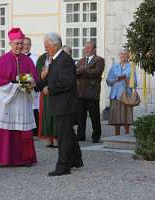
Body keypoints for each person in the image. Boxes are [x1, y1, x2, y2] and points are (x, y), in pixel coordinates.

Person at [0, 27, 38, 167]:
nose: (19, 46)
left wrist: (29, 84)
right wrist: (15, 86)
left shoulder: (28, 61)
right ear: (10, 43)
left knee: (21, 129)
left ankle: (23, 158)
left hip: (21, 100)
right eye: (16, 43)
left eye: (21, 43)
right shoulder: (3, 60)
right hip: (7, 101)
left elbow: (34, 79)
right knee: (3, 129)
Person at [36, 32, 83, 176]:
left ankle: (63, 167)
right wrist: (36, 85)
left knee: (63, 136)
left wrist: (50, 89)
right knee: (68, 133)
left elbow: (67, 82)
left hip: (65, 104)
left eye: (47, 46)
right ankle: (76, 160)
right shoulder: (55, 59)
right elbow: (51, 78)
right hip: (60, 104)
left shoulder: (65, 59)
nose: (46, 49)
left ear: (55, 45)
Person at [76, 41, 105, 143]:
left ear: (94, 49)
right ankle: (80, 135)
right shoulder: (81, 60)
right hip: (80, 92)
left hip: (92, 92)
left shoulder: (99, 60)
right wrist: (85, 70)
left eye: (89, 48)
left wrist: (83, 70)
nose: (87, 50)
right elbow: (75, 72)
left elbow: (97, 72)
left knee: (94, 116)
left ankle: (96, 136)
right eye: (86, 48)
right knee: (80, 116)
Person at [106, 50, 137, 135]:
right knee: (116, 117)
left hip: (126, 94)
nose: (123, 56)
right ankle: (116, 135)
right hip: (115, 94)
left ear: (128, 56)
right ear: (119, 55)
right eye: (121, 54)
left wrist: (126, 79)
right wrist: (116, 79)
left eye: (125, 54)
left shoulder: (131, 67)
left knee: (126, 116)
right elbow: (108, 81)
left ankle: (127, 134)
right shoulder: (114, 66)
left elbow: (135, 83)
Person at [36, 45, 57, 148]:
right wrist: (47, 71)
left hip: (57, 89)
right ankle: (49, 138)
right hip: (45, 90)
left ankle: (56, 138)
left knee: (56, 114)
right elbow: (39, 75)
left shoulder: (59, 57)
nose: (48, 50)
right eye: (47, 47)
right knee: (46, 114)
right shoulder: (42, 58)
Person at [22, 37, 39, 137]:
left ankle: (35, 130)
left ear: (30, 45)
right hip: (23, 84)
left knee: (34, 106)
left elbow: (37, 72)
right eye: (24, 44)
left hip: (33, 85)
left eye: (28, 44)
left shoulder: (36, 58)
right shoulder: (18, 58)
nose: (26, 46)